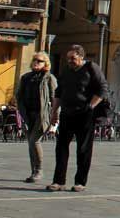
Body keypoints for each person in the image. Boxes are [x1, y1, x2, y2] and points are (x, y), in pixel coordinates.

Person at [48, 45, 107, 192]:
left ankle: (80, 182)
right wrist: (54, 111)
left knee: (83, 149)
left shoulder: (91, 68)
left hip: (85, 114)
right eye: (68, 58)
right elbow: (59, 91)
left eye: (73, 58)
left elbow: (102, 89)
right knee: (61, 148)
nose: (70, 61)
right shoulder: (67, 70)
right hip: (67, 113)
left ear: (81, 57)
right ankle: (58, 181)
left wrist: (91, 107)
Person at [15, 52, 56, 183]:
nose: (36, 62)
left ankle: (39, 170)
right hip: (28, 114)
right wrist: (21, 112)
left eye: (39, 61)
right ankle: (33, 170)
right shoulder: (26, 77)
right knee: (30, 142)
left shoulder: (49, 78)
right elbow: (19, 96)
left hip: (42, 114)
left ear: (46, 64)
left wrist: (55, 118)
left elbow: (55, 98)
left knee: (34, 141)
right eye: (34, 60)